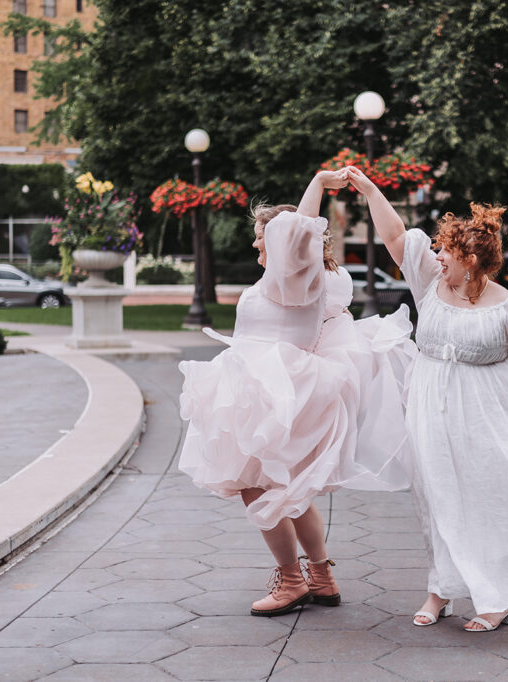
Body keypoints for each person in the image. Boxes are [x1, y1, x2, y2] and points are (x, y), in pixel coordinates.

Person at [346, 166, 508, 632]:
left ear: (472, 259)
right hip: (428, 410)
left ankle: (497, 598)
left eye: (447, 250)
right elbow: (395, 236)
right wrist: (369, 189)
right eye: (440, 248)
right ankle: (440, 590)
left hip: (487, 416)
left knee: (486, 499)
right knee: (435, 499)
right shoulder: (430, 281)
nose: (438, 255)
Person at [177, 169, 412, 618]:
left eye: (262, 236)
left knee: (253, 482)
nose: (255, 244)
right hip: (272, 385)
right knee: (289, 488)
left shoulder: (293, 276)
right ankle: (320, 577)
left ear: (285, 243)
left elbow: (299, 231)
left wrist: (319, 184)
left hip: (275, 389)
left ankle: (290, 581)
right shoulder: (306, 283)